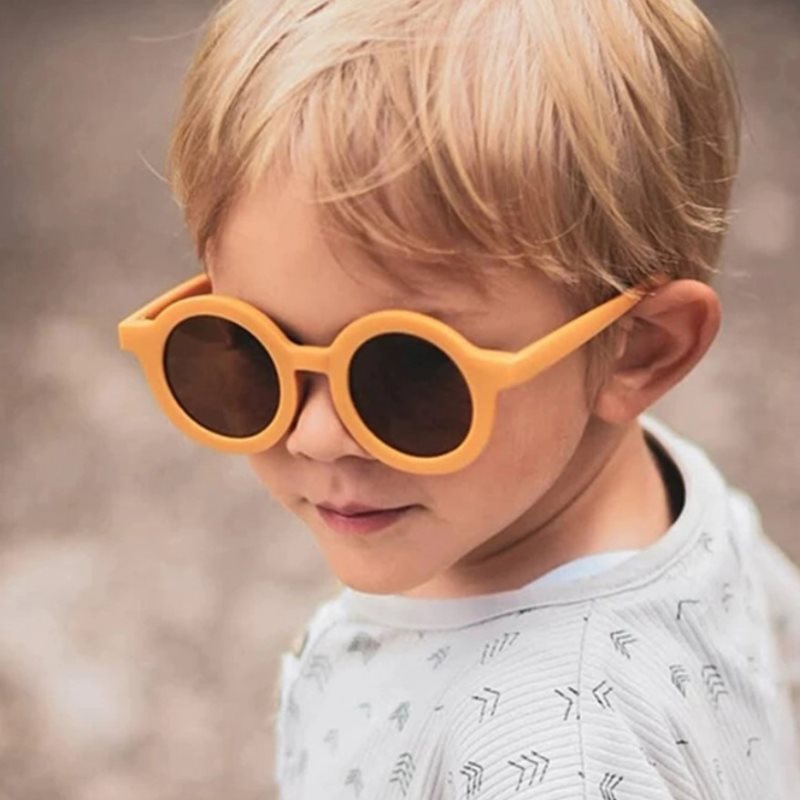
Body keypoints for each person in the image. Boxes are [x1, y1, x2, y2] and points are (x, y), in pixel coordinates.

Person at [118, 0, 800, 797]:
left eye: (409, 371)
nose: (315, 435)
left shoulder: (555, 761)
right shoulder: (657, 498)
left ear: (640, 350)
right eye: (247, 344)